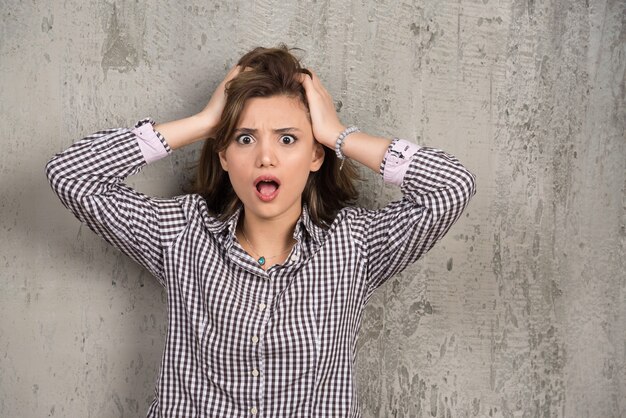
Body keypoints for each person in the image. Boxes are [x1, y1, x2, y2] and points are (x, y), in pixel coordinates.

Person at [46, 46, 476, 417]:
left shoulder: (356, 244)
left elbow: (451, 187)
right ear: (225, 154)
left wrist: (339, 135)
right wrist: (204, 121)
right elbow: (71, 175)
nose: (265, 157)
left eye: (288, 140)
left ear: (315, 156)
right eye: (245, 139)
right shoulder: (179, 233)